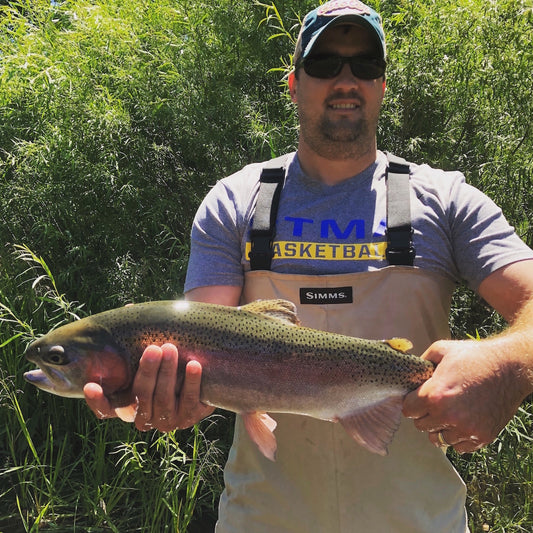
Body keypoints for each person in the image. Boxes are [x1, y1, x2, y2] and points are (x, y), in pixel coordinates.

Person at [84, 1, 533, 531]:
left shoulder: (444, 199)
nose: (347, 80)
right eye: (325, 65)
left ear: (382, 86)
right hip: (265, 518)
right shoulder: (236, 202)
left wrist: (507, 366)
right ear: (295, 84)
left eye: (365, 66)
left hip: (417, 519)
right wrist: (170, 396)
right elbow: (198, 346)